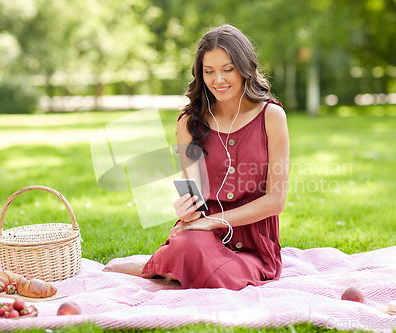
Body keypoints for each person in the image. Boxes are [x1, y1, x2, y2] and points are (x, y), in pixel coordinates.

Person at [103, 24, 289, 291]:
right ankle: (172, 264)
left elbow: (275, 201)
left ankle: (163, 269)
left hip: (254, 246)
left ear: (245, 67)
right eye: (209, 71)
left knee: (224, 278)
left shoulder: (271, 117)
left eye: (228, 69)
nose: (219, 80)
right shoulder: (189, 123)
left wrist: (212, 221)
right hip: (203, 237)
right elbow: (194, 196)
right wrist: (187, 213)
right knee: (190, 247)